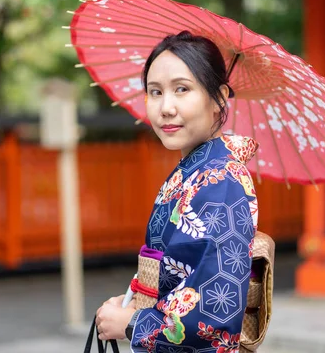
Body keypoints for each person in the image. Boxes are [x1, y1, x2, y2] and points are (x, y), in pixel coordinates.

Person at [95, 30, 259, 352]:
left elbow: (213, 316)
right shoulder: (194, 173)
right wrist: (131, 300)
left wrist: (130, 323)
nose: (165, 107)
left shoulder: (221, 183)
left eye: (181, 89)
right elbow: (171, 275)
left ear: (219, 98)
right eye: (155, 92)